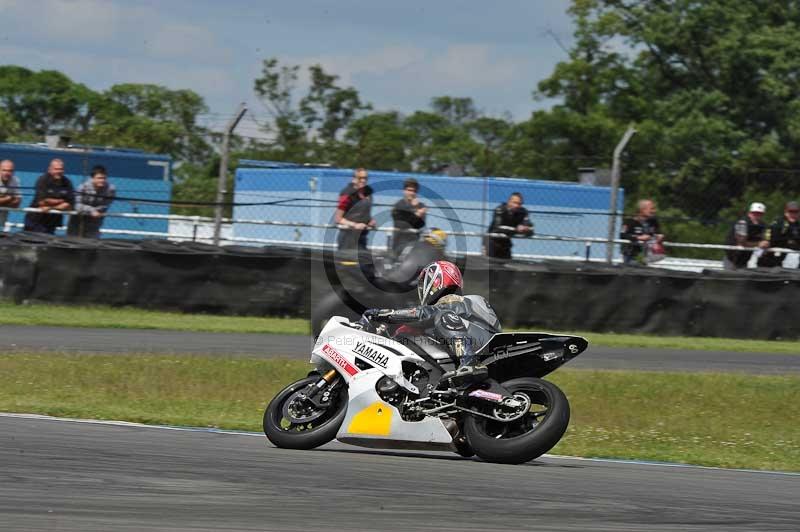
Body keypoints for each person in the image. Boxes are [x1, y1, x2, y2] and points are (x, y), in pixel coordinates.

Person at [360, 260, 501, 385]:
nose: (421, 290)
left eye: (422, 284)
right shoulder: (461, 307)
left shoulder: (453, 300)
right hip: (480, 343)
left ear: (436, 279)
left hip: (486, 345)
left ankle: (470, 362)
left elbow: (424, 313)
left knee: (443, 315)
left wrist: (383, 315)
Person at [23, 158, 74, 234]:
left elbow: (69, 205)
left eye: (61, 169)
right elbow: (42, 202)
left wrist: (51, 207)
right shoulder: (43, 180)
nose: (59, 171)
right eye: (56, 169)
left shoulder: (67, 182)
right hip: (35, 221)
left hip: (52, 223)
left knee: (47, 245)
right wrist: (60, 202)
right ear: (49, 169)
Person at [67, 165, 116, 238]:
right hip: (78, 219)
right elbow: (76, 204)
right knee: (73, 240)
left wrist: (97, 211)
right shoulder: (83, 187)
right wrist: (91, 210)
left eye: (104, 178)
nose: (102, 180)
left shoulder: (110, 189)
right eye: (99, 178)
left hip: (95, 221)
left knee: (92, 242)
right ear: (92, 178)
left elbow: (106, 204)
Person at [334, 168, 376, 252]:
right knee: (347, 264)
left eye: (365, 178)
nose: (363, 180)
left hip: (362, 237)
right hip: (347, 238)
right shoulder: (347, 193)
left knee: (362, 263)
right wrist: (354, 225)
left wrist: (370, 221)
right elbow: (338, 218)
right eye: (360, 178)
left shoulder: (367, 193)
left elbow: (362, 212)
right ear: (354, 178)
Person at [485, 192, 533, 259]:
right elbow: (497, 228)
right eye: (515, 202)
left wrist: (526, 228)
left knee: (507, 265)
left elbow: (531, 230)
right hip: (492, 241)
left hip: (506, 242)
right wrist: (517, 230)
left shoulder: (523, 212)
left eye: (519, 204)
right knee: (490, 265)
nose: (517, 205)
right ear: (509, 202)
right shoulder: (500, 209)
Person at [724, 202, 770, 270]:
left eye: (759, 214)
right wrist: (759, 244)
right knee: (731, 277)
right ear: (749, 213)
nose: (756, 216)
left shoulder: (762, 225)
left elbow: (765, 240)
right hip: (732, 258)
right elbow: (741, 242)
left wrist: (765, 243)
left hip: (745, 259)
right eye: (754, 213)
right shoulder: (742, 223)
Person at [620, 199, 665, 265]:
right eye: (651, 209)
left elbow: (658, 232)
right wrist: (638, 238)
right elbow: (622, 235)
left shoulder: (653, 221)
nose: (654, 211)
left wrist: (659, 236)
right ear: (642, 209)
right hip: (632, 255)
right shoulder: (629, 221)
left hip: (648, 255)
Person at [757, 201, 800, 268]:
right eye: (791, 211)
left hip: (783, 259)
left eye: (796, 212)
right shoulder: (779, 222)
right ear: (786, 212)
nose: (793, 214)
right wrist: (766, 240)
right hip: (768, 258)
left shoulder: (797, 225)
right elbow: (768, 230)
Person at [391, 177, 427, 256]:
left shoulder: (420, 206)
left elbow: (420, 225)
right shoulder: (398, 205)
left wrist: (417, 209)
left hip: (414, 242)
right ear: (404, 191)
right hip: (400, 243)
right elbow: (400, 225)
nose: (411, 193)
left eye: (414, 191)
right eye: (409, 190)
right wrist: (416, 213)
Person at [0, 159, 22, 231]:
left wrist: (3, 200)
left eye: (10, 171)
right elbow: (13, 199)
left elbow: (17, 203)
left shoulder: (15, 181)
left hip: (3, 214)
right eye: (4, 170)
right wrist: (9, 198)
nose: (7, 173)